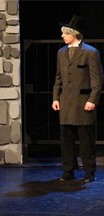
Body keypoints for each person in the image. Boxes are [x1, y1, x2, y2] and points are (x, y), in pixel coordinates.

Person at [52, 15, 103, 183]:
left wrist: (92, 100)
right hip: (66, 103)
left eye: (64, 33)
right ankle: (68, 171)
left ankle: (89, 172)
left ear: (73, 34)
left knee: (86, 141)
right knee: (66, 141)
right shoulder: (61, 53)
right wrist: (55, 98)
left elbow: (97, 79)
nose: (62, 36)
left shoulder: (90, 52)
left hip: (83, 104)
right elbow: (58, 78)